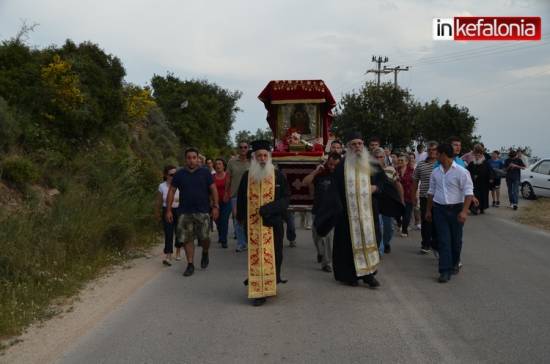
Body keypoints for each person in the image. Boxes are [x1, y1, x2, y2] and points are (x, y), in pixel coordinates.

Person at [315, 132, 403, 288]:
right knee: (347, 246)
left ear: (364, 145)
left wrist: (376, 187)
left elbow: (384, 184)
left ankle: (369, 275)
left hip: (369, 214)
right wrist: (334, 209)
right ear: (348, 147)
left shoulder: (372, 164)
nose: (357, 147)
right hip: (347, 216)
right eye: (353, 144)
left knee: (371, 242)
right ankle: (350, 275)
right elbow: (334, 190)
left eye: (360, 144)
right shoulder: (342, 166)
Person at [237, 140, 290, 306]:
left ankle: (271, 281)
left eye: (265, 155)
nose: (262, 158)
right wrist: (240, 219)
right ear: (254, 157)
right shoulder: (247, 176)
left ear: (269, 157)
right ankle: (259, 290)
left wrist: (269, 208)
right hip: (252, 225)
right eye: (259, 155)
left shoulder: (278, 175)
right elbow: (240, 199)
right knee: (256, 256)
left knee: (275, 255)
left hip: (272, 223)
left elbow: (286, 199)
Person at [166, 148, 219, 277]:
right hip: (185, 211)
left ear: (197, 159)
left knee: (205, 238)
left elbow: (213, 189)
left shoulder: (205, 172)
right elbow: (172, 191)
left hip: (203, 210)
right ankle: (190, 264)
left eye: (194, 157)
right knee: (187, 238)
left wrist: (216, 206)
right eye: (189, 157)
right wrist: (168, 209)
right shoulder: (180, 174)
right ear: (185, 159)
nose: (191, 160)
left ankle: (205, 253)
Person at [426, 144, 473, 283]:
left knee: (456, 241)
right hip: (440, 210)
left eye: (437, 153)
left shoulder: (461, 172)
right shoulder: (436, 172)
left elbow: (468, 193)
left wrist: (464, 212)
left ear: (444, 155)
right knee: (444, 241)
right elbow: (431, 192)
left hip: (456, 210)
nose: (435, 156)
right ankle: (444, 271)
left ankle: (454, 262)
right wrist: (428, 210)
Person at [302, 152, 341, 272]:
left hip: (332, 212)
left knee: (327, 238)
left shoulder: (341, 175)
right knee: (316, 236)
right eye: (330, 164)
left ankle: (326, 263)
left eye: (335, 165)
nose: (332, 167)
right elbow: (305, 182)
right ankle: (320, 253)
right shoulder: (320, 174)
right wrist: (315, 172)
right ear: (327, 162)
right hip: (318, 210)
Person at [373, 147, 403, 255]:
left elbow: (398, 185)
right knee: (379, 227)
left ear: (384, 158)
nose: (378, 159)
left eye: (381, 157)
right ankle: (379, 251)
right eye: (376, 157)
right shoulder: (369, 171)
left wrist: (401, 201)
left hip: (388, 203)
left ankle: (386, 242)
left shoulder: (390, 170)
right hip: (376, 203)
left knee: (389, 228)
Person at [412, 141, 439, 254]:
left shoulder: (441, 164)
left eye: (434, 150)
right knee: (425, 221)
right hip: (424, 196)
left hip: (439, 198)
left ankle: (436, 243)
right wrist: (413, 195)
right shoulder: (421, 164)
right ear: (427, 151)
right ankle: (425, 244)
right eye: (430, 150)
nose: (432, 152)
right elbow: (415, 180)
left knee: (437, 221)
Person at [226, 141, 251, 252]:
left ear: (248, 148)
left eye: (245, 147)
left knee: (250, 220)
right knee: (237, 219)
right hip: (235, 195)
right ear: (238, 149)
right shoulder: (232, 162)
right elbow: (228, 178)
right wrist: (227, 192)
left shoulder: (252, 162)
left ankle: (251, 242)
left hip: (250, 195)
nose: (243, 149)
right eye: (241, 147)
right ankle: (241, 243)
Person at [156, 165, 182, 266]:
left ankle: (178, 251)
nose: (174, 176)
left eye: (176, 174)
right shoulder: (162, 186)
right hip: (166, 210)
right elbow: (158, 200)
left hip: (179, 209)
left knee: (179, 231)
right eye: (171, 174)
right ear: (166, 175)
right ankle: (168, 255)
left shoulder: (180, 185)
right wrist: (157, 212)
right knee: (168, 232)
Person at [467, 144, 494, 215]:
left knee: (483, 195)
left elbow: (490, 171)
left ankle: (482, 208)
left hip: (483, 183)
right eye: (476, 154)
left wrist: (491, 178)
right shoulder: (471, 163)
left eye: (479, 154)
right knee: (475, 195)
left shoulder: (486, 163)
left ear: (482, 154)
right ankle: (475, 208)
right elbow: (467, 173)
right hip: (474, 183)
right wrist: (473, 176)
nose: (477, 155)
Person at [213, 158, 231, 248]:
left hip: (226, 201)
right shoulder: (212, 177)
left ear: (224, 166)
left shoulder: (228, 175)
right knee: (217, 220)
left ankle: (224, 240)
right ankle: (221, 234)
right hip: (215, 202)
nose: (218, 165)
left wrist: (227, 194)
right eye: (216, 164)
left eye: (220, 164)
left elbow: (231, 187)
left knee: (224, 220)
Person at [397, 154, 415, 237]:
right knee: (397, 213)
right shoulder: (395, 170)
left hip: (409, 195)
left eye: (402, 160)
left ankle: (404, 230)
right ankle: (399, 222)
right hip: (397, 195)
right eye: (399, 160)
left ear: (407, 162)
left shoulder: (412, 170)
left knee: (407, 214)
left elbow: (415, 184)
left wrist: (415, 195)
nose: (399, 161)